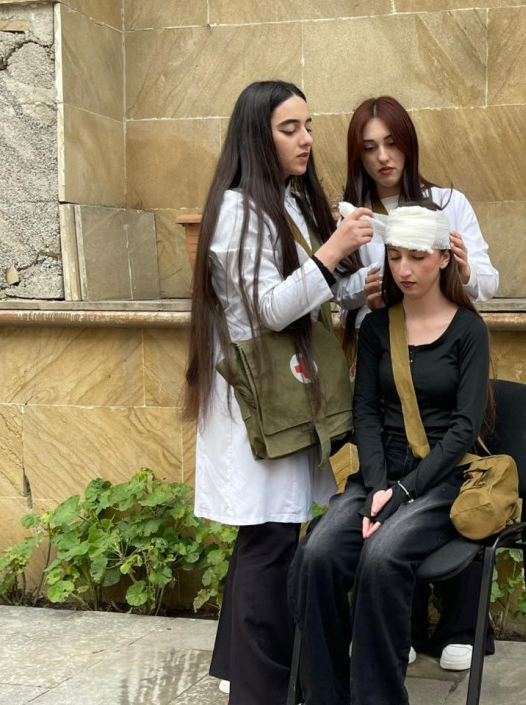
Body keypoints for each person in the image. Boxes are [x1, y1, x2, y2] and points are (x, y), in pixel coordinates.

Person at [183, 80, 374, 705]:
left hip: (284, 398)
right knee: (268, 540)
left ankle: (247, 675)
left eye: (309, 126)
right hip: (260, 402)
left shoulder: (286, 202)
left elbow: (311, 297)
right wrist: (334, 249)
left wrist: (361, 285)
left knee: (268, 539)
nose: (306, 139)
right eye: (289, 128)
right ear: (256, 136)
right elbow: (269, 309)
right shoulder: (239, 210)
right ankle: (261, 690)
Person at [288, 204, 491, 705]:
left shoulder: (469, 330)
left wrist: (402, 492)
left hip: (439, 480)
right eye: (395, 256)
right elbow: (366, 413)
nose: (404, 269)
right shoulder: (378, 328)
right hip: (379, 475)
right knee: (316, 555)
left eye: (417, 257)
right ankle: (325, 697)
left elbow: (464, 429)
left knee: (381, 557)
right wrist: (379, 486)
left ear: (443, 258)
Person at [338, 95, 499, 671]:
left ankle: (459, 627)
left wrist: (461, 267)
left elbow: (487, 282)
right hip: (385, 353)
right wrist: (363, 291)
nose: (383, 157)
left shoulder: (449, 203)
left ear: (408, 143)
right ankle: (397, 629)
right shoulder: (352, 217)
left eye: (392, 143)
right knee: (386, 489)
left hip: (445, 350)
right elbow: (336, 290)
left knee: (447, 467)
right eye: (369, 147)